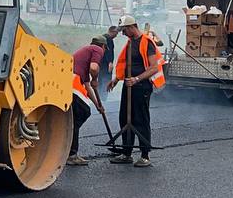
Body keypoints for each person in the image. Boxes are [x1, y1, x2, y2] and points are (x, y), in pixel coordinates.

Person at [110, 13, 165, 168]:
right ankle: (126, 153)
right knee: (125, 118)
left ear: (131, 27)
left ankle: (145, 155)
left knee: (140, 119)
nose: (122, 33)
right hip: (128, 85)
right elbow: (126, 63)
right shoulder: (130, 42)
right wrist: (116, 79)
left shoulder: (146, 42)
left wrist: (136, 79)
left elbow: (154, 67)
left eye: (124, 30)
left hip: (142, 86)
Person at [68, 37, 107, 166]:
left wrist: (97, 105)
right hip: (73, 82)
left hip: (68, 81)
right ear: (103, 46)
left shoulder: (84, 52)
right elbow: (94, 68)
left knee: (75, 118)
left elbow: (87, 86)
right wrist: (95, 78)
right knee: (82, 112)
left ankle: (69, 150)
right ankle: (71, 154)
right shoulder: (97, 49)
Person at [98, 25, 118, 96]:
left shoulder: (102, 38)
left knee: (100, 80)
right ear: (112, 31)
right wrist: (110, 62)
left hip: (100, 63)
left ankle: (99, 97)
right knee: (106, 80)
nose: (116, 35)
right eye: (116, 33)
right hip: (105, 64)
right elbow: (108, 52)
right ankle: (104, 97)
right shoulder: (109, 39)